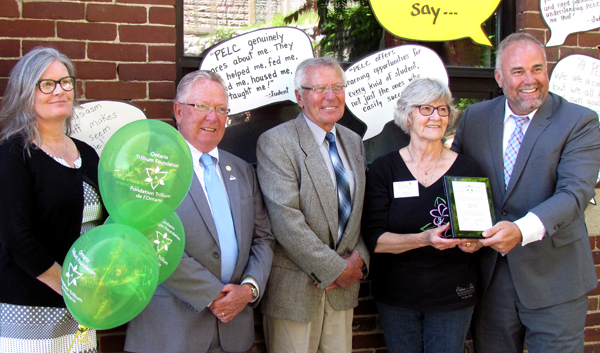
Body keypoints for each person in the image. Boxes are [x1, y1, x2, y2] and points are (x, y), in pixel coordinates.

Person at [452, 32, 600, 353]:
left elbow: (574, 195)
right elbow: (456, 180)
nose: (530, 80)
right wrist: (462, 228)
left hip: (555, 279)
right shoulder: (476, 118)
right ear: (499, 77)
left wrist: (520, 230)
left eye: (537, 69)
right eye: (518, 71)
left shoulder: (579, 121)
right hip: (493, 280)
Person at [124, 70, 275, 353]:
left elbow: (263, 239)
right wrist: (213, 295)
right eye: (202, 106)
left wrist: (249, 289)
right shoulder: (151, 169)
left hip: (233, 332)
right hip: (170, 333)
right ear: (179, 112)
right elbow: (150, 242)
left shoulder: (242, 171)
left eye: (220, 109)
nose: (212, 117)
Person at [256, 56, 369, 353]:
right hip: (295, 295)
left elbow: (359, 212)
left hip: (343, 292)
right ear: (299, 97)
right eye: (319, 88)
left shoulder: (354, 141)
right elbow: (286, 220)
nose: (331, 96)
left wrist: (359, 260)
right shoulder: (276, 142)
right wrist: (336, 269)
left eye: (337, 87)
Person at [361, 78, 482, 353]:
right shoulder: (384, 169)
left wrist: (476, 242)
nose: (436, 116)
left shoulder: (467, 168)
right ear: (407, 116)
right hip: (397, 296)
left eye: (442, 109)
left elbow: (478, 233)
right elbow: (374, 239)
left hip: (453, 295)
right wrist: (424, 239)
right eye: (426, 109)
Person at [0, 47, 106, 352]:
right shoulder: (14, 154)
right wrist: (71, 288)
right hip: (29, 309)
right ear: (25, 92)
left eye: (65, 82)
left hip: (79, 310)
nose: (59, 90)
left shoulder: (86, 154)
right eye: (46, 84)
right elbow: (17, 238)